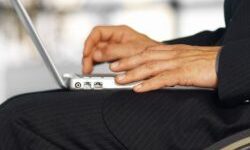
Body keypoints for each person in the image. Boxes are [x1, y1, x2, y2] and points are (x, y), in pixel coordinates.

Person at [1, 0, 250, 149]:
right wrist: (161, 53)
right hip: (230, 90)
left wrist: (224, 63)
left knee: (22, 125)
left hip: (236, 115)